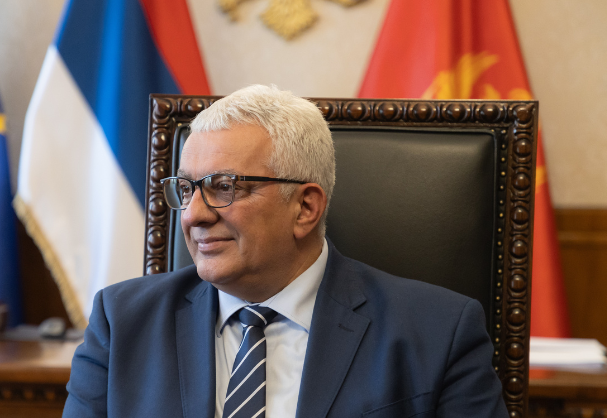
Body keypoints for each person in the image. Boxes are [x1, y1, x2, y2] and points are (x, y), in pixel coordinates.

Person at [63, 85, 508, 417]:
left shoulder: (437, 332)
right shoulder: (123, 323)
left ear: (305, 208)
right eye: (185, 189)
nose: (193, 215)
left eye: (223, 186)